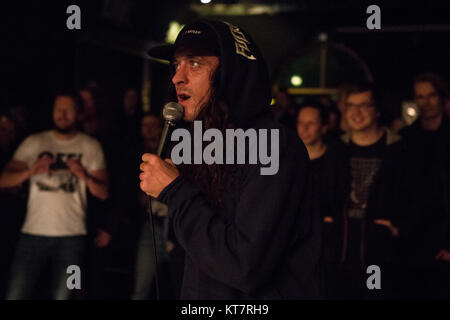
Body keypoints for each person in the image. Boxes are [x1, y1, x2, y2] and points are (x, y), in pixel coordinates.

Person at [140, 19, 322, 299]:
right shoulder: (205, 142)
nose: (178, 76)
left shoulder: (274, 145)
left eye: (195, 64)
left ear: (231, 74)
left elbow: (243, 268)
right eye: (176, 64)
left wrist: (175, 192)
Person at [0, 92, 109, 300]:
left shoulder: (90, 145)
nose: (63, 114)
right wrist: (29, 171)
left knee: (67, 295)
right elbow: (3, 180)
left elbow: (103, 193)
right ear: (52, 112)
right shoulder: (34, 142)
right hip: (32, 234)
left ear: (78, 114)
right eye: (59, 109)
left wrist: (83, 175)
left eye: (68, 109)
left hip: (73, 237)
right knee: (15, 294)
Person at [335, 82, 413, 299]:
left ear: (377, 110)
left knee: (374, 294)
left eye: (364, 105)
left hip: (379, 249)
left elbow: (418, 198)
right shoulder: (336, 149)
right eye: (351, 105)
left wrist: (398, 228)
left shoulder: (400, 151)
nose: (356, 112)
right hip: (340, 247)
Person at [398, 72, 450, 298]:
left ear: (441, 97)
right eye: (420, 97)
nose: (426, 102)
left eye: (431, 96)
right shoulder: (406, 138)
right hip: (414, 239)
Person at [296, 103, 345, 299]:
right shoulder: (288, 160)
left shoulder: (336, 159)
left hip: (328, 241)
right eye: (300, 123)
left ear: (324, 127)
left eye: (311, 123)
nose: (304, 128)